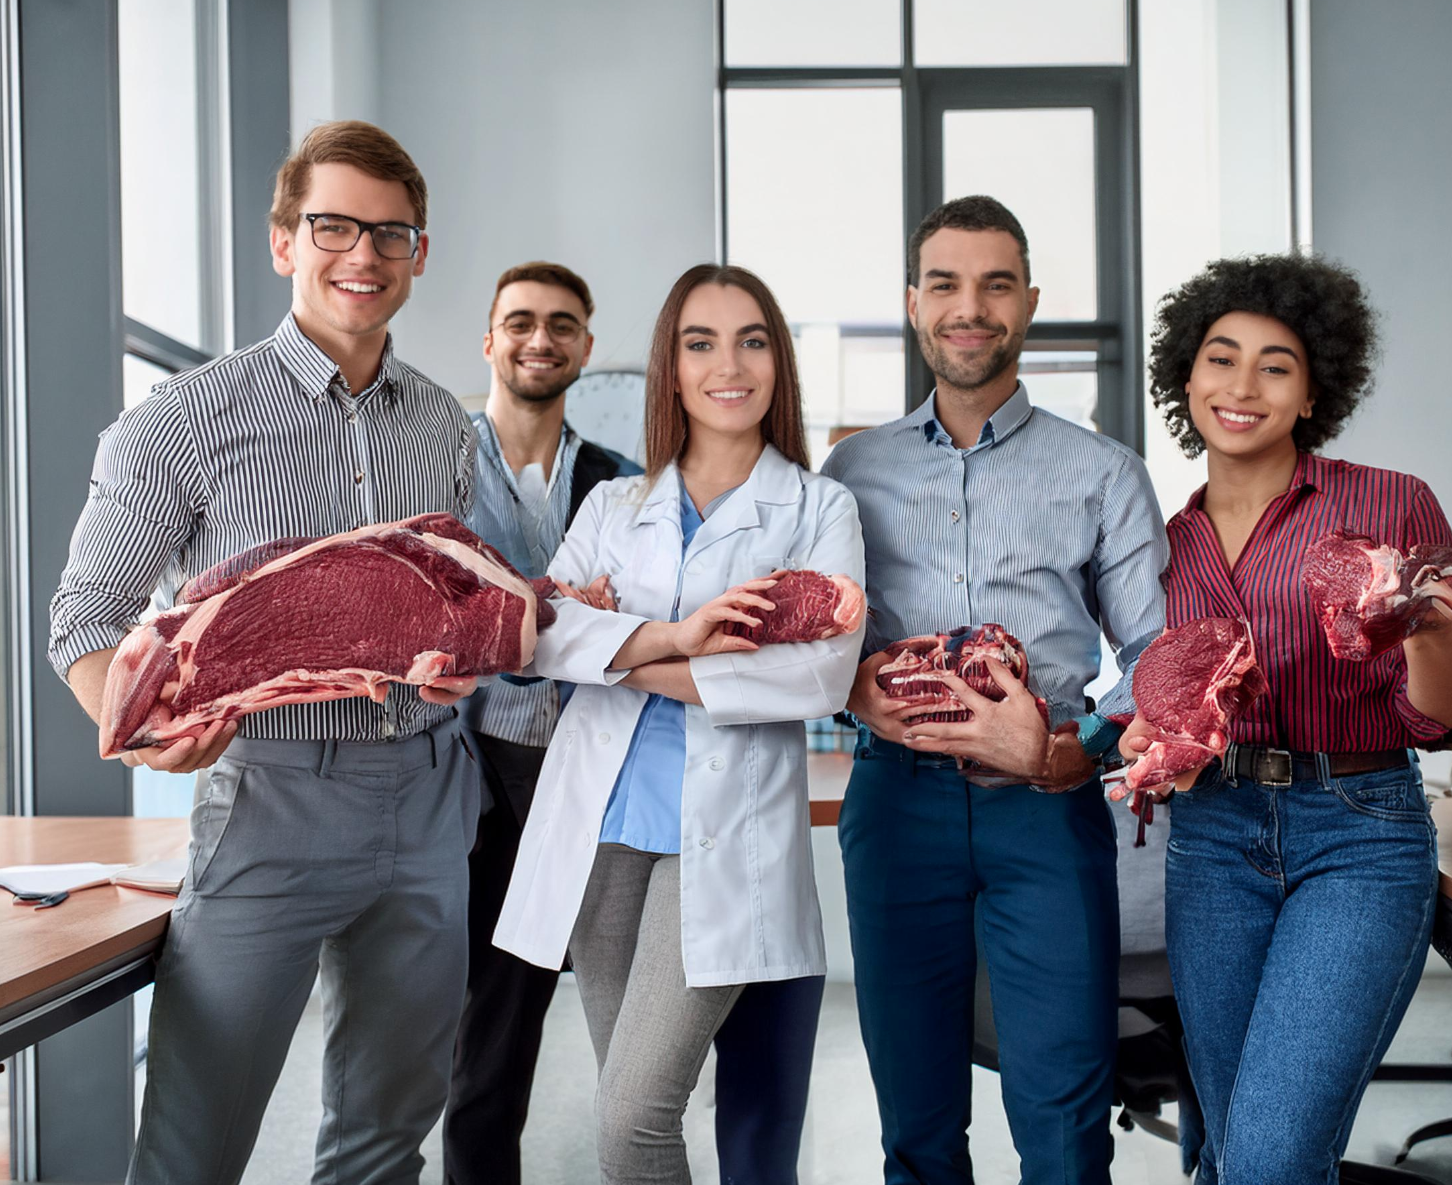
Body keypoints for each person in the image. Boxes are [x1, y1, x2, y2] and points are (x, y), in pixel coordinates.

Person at [48, 120, 481, 1184]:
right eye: (333, 226)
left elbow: (448, 606)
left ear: (420, 255)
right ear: (283, 242)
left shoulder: (440, 425)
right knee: (197, 1152)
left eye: (391, 234)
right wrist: (142, 729)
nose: (363, 256)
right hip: (270, 799)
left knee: (386, 1142)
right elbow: (85, 619)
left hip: (429, 793)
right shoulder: (181, 421)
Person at [1117, 253, 1452, 1185]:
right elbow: (1156, 698)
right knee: (1225, 1146)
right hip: (1210, 839)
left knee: (1273, 1160)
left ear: (1313, 387)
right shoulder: (1166, 544)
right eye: (1220, 357)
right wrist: (1147, 731)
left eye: (1275, 364)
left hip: (1357, 833)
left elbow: (1449, 716)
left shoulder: (1387, 502)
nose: (1241, 385)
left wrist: (1419, 625)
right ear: (1186, 374)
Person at [822, 194, 1168, 1185]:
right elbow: (815, 636)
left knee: (1063, 1121)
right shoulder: (851, 470)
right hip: (895, 806)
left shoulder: (1101, 472)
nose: (968, 307)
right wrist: (850, 687)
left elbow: (1154, 650)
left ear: (1028, 304)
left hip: (1045, 809)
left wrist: (1078, 752)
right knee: (916, 1126)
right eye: (945, 284)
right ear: (911, 303)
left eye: (994, 284)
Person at [492, 263, 864, 1184]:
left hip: (722, 840)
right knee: (636, 1101)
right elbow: (540, 638)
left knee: (628, 1117)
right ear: (671, 365)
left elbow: (819, 672)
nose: (726, 364)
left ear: (778, 362)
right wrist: (682, 641)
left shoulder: (820, 508)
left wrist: (628, 655)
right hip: (601, 830)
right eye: (700, 342)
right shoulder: (614, 504)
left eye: (751, 340)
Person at [445, 263, 638, 1185]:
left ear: (585, 350)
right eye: (519, 321)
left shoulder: (624, 487)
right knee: (491, 1045)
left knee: (636, 1045)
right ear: (489, 339)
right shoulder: (435, 468)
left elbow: (643, 628)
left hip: (596, 779)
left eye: (562, 325)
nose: (540, 339)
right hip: (477, 781)